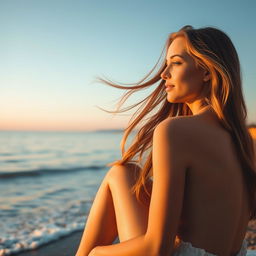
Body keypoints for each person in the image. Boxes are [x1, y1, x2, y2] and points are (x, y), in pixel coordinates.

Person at [75, 25, 256, 256]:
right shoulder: (246, 142)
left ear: (207, 71)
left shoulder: (176, 131)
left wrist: (95, 254)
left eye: (176, 62)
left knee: (116, 178)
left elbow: (156, 249)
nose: (164, 74)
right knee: (123, 174)